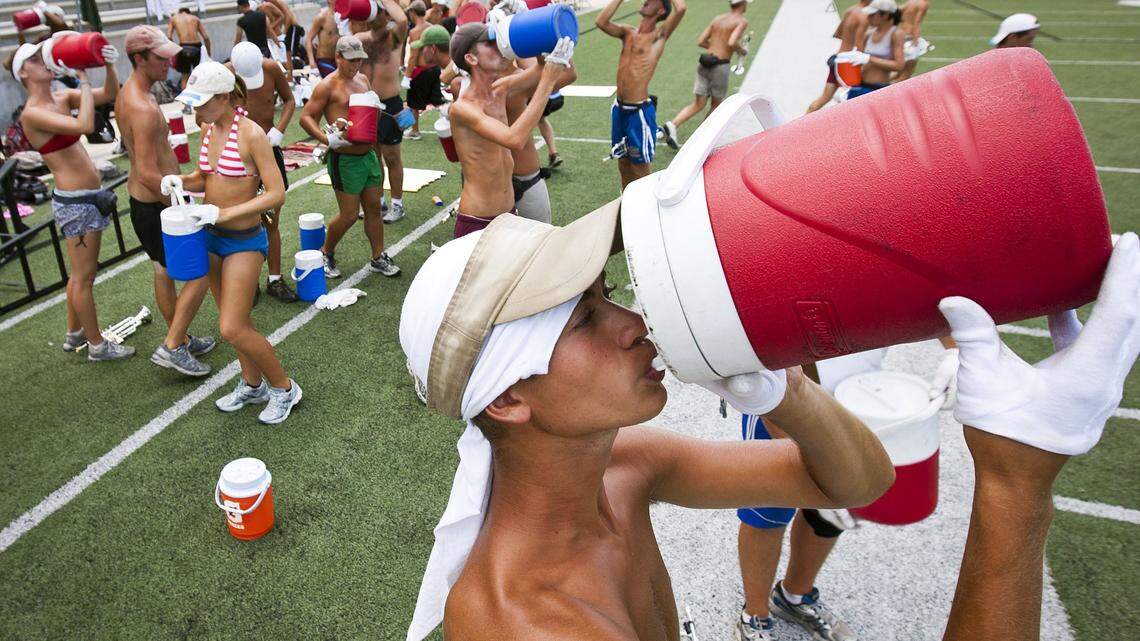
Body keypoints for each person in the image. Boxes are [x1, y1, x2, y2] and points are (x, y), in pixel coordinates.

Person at [399, 205, 897, 640]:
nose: (635, 324)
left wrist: (786, 391)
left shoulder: (626, 465)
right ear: (506, 397)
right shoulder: (529, 621)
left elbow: (856, 482)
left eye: (606, 294)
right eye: (581, 320)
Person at [163, 61, 301, 425]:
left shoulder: (252, 134)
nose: (196, 109)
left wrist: (224, 214)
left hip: (242, 240)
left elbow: (277, 193)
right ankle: (252, 384)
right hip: (212, 239)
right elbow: (203, 178)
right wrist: (179, 181)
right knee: (232, 319)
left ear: (225, 97)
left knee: (232, 327)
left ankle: (284, 388)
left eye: (203, 102)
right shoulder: (209, 130)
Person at [10, 37, 134, 362]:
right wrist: (81, 77)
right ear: (23, 73)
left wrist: (107, 63)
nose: (45, 62)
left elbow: (108, 95)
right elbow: (85, 124)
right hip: (76, 202)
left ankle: (75, 333)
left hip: (87, 196)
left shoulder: (61, 97)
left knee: (79, 274)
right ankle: (97, 346)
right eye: (37, 60)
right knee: (84, 276)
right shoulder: (32, 113)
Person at [116, 25, 216, 376]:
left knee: (164, 272)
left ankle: (182, 337)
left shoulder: (134, 93)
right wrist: (181, 200)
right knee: (198, 270)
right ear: (139, 58)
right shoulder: (140, 105)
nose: (169, 62)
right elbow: (145, 169)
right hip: (156, 203)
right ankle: (174, 344)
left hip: (153, 201)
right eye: (160, 57)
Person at [735, 411, 855, 640]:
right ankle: (754, 615)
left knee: (830, 504)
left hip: (843, 395)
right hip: (775, 394)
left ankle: (794, 597)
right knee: (767, 510)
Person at [445, 21, 572, 237]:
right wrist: (548, 80)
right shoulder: (462, 109)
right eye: (492, 43)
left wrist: (530, 29)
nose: (500, 47)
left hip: (508, 213)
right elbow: (514, 139)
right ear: (471, 58)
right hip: (479, 220)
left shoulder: (500, 88)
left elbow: (541, 68)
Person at [299, 35, 401, 279]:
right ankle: (326, 251)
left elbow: (368, 114)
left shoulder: (363, 79)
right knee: (349, 215)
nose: (356, 65)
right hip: (344, 159)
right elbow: (306, 117)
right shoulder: (327, 86)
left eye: (359, 60)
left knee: (374, 208)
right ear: (338, 57)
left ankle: (378, 257)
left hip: (368, 155)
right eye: (351, 60)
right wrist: (327, 139)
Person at [228, 42, 298, 303]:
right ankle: (249, 282)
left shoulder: (270, 69)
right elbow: (206, 116)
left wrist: (279, 129)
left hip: (269, 151)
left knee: (272, 220)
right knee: (243, 222)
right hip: (239, 157)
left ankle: (275, 279)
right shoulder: (224, 76)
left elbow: (289, 99)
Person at [596, 0, 687, 189]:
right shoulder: (628, 32)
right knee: (623, 163)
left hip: (639, 114)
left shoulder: (658, 36)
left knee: (640, 170)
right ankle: (626, 205)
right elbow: (601, 22)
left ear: (661, 9)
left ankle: (647, 213)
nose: (646, 1)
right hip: (619, 109)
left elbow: (681, 8)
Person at [661, 0, 749, 149]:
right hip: (720, 66)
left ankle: (672, 125)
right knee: (715, 106)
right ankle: (702, 140)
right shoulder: (741, 21)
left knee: (698, 103)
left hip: (704, 62)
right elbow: (732, 41)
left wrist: (714, 47)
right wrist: (742, 51)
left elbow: (701, 41)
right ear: (742, 4)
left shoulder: (718, 18)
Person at [353, 0, 409, 223]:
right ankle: (379, 201)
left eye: (382, 13)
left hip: (390, 105)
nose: (378, 16)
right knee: (372, 158)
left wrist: (383, 2)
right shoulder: (360, 40)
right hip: (367, 105)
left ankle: (398, 204)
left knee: (392, 157)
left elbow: (403, 19)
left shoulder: (394, 38)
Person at [504, 54, 577, 224]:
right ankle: (553, 152)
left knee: (537, 243)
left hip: (524, 178)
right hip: (494, 186)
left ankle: (553, 152)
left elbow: (569, 74)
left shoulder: (513, 80)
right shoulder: (508, 83)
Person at [805, 0, 870, 114]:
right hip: (848, 63)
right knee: (855, 98)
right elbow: (860, 48)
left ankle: (800, 126)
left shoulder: (850, 11)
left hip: (837, 59)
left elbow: (837, 34)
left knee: (823, 98)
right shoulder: (864, 16)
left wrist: (848, 38)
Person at [838, 0, 905, 100]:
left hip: (878, 90)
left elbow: (899, 66)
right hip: (859, 86)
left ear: (885, 15)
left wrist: (869, 59)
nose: (868, 17)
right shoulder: (868, 34)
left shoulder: (896, 34)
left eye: (872, 14)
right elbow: (859, 60)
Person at [403, 2, 436, 141]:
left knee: (413, 104)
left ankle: (415, 131)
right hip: (434, 68)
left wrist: (407, 76)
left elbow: (413, 56)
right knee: (438, 101)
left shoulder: (415, 31)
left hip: (420, 70)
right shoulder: (432, 28)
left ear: (413, 13)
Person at [168, 8, 212, 88]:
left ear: (180, 12)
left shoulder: (174, 18)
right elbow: (206, 38)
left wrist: (175, 50)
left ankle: (185, 98)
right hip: (197, 46)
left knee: (185, 76)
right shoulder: (195, 18)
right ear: (189, 13)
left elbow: (169, 37)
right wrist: (208, 54)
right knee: (199, 74)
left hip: (184, 46)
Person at [892, 0, 928, 83]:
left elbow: (897, 10)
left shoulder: (911, 1)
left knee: (900, 72)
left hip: (901, 35)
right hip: (909, 39)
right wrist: (915, 45)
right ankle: (888, 93)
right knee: (907, 73)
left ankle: (883, 86)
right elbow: (917, 24)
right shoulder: (923, 4)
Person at [263, 0, 305, 68]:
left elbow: (288, 16)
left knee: (290, 53)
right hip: (284, 31)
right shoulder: (269, 5)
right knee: (285, 54)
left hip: (293, 27)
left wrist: (285, 32)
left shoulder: (279, 2)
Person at [305, 5, 341, 78]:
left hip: (340, 59)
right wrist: (311, 61)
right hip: (325, 59)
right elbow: (308, 39)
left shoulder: (344, 17)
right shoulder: (321, 17)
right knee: (332, 83)